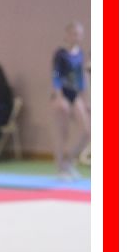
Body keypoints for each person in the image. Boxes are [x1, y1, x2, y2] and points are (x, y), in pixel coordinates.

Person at [51, 21, 90, 178]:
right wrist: (59, 97)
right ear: (67, 35)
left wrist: (85, 100)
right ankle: (60, 167)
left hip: (75, 95)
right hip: (62, 94)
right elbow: (56, 75)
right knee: (63, 133)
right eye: (74, 34)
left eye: (80, 35)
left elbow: (81, 78)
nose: (77, 37)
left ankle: (69, 161)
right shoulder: (60, 54)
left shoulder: (80, 53)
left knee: (87, 131)